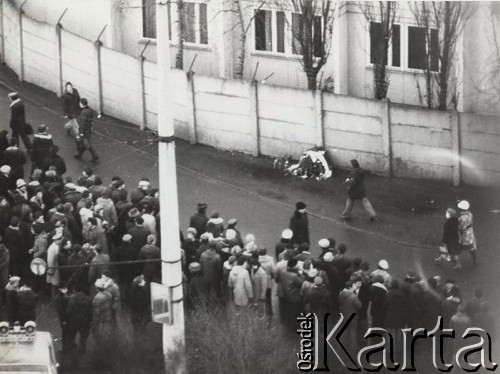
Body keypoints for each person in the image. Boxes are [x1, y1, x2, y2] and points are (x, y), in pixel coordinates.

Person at [66, 284, 92, 354]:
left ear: (74, 291)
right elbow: (90, 312)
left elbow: (68, 312)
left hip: (73, 322)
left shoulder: (71, 300)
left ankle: (69, 350)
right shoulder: (88, 300)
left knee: (71, 336)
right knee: (83, 338)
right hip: (85, 322)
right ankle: (82, 352)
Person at [74, 98, 99, 162]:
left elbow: (83, 123)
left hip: (84, 131)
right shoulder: (90, 110)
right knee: (83, 143)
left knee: (85, 144)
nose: (79, 104)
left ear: (82, 104)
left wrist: (81, 132)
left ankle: (95, 156)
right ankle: (79, 154)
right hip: (88, 130)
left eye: (80, 103)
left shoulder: (83, 112)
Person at [457, 200, 477, 265]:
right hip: (470, 233)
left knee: (458, 247)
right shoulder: (470, 214)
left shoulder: (461, 218)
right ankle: (474, 260)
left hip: (464, 235)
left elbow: (461, 228)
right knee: (471, 248)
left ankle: (454, 261)